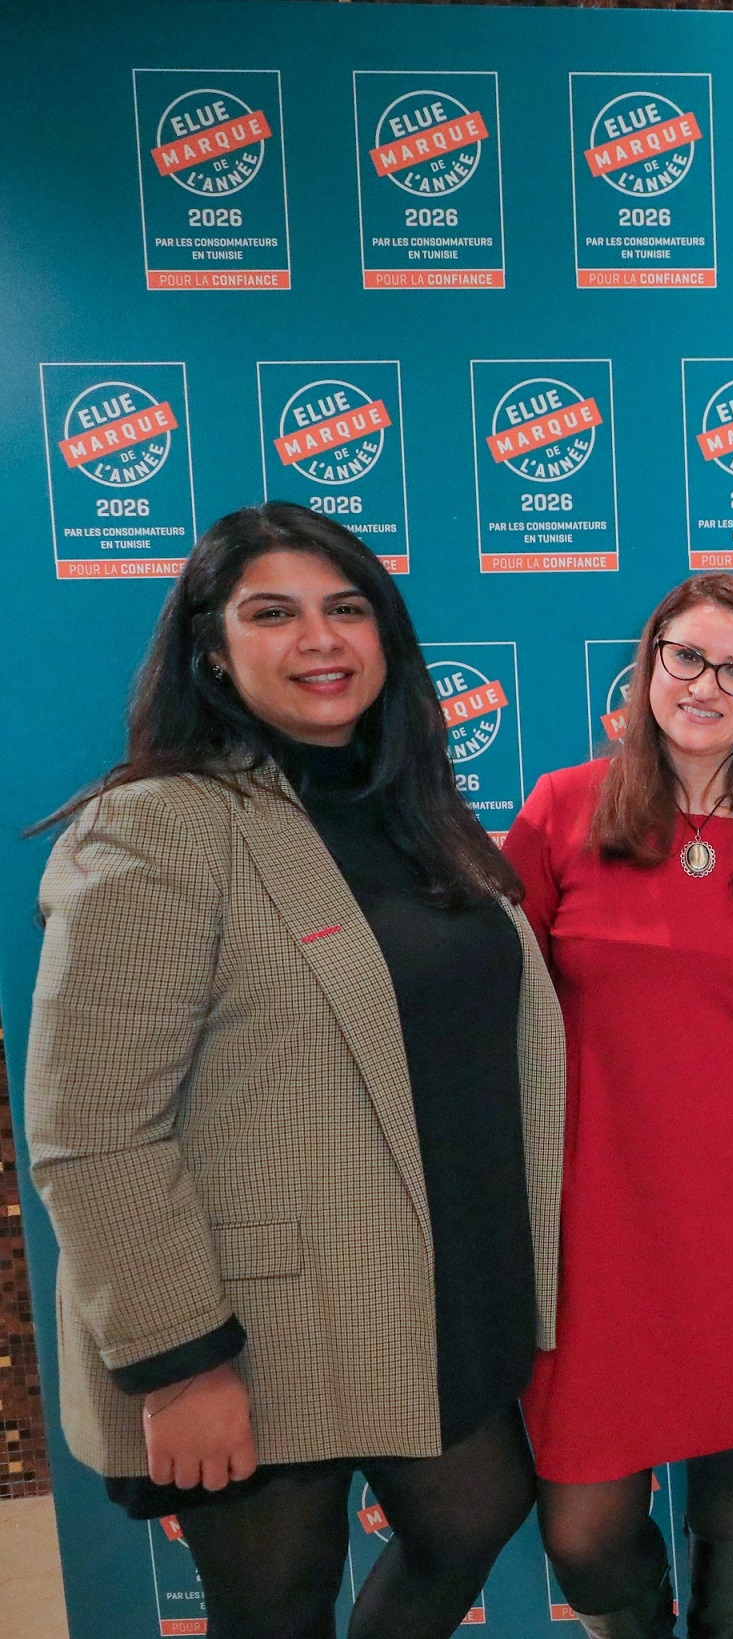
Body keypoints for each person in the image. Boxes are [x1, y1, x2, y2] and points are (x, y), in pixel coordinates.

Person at [23, 503, 565, 1638]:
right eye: (273, 613)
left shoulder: (420, 815)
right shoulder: (158, 827)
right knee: (275, 1606)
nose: (320, 639)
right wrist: (182, 1365)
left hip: (436, 1290)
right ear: (214, 651)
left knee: (478, 1512)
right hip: (252, 1325)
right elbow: (92, 1130)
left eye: (346, 608)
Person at [504, 575, 733, 1639]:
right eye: (687, 657)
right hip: (595, 1213)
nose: (706, 685)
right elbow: (490, 1003)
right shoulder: (562, 807)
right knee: (583, 1529)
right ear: (649, 661)